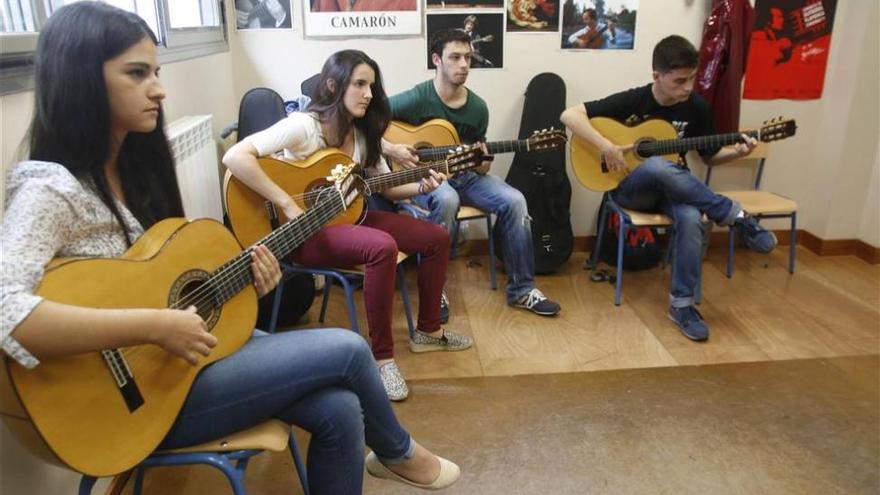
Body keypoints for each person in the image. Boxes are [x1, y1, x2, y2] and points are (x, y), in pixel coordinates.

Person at [0, 3, 458, 492]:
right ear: (79, 80)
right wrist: (156, 325)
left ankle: (389, 452)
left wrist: (253, 279)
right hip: (137, 400)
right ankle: (397, 452)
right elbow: (6, 309)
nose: (159, 88)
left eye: (154, 71)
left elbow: (151, 284)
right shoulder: (49, 188)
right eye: (137, 73)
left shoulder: (131, 174)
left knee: (341, 408)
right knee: (347, 348)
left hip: (174, 366)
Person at [223, 49, 474, 402]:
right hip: (302, 231)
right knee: (381, 247)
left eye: (371, 86)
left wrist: (422, 185)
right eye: (359, 84)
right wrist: (286, 203)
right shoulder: (305, 126)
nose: (369, 94)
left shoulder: (362, 134)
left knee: (435, 236)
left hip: (349, 217)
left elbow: (386, 187)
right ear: (332, 85)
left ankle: (429, 331)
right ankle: (382, 360)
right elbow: (235, 157)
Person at [561, 35, 777, 342]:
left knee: (691, 218)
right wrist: (607, 146)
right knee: (655, 165)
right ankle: (734, 215)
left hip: (675, 191)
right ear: (657, 76)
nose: (688, 88)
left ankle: (682, 306)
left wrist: (738, 152)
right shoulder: (635, 100)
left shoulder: (697, 107)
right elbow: (569, 115)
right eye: (679, 81)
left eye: (691, 79)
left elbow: (710, 156)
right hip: (631, 190)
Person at [384, 28, 561, 321]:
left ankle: (522, 289)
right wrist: (392, 150)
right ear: (437, 60)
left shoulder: (478, 107)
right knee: (448, 199)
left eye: (468, 57)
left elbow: (480, 163)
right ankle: (432, 292)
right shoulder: (418, 98)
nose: (464, 64)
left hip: (465, 176)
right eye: (455, 57)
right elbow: (371, 119)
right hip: (426, 178)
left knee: (515, 200)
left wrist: (482, 163)